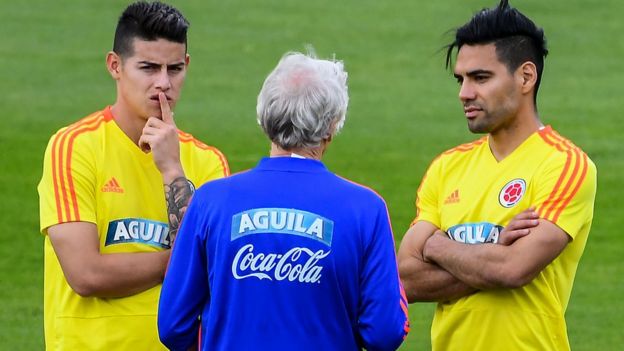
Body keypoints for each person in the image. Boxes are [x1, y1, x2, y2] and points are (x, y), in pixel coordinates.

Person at [158, 51, 409, 351]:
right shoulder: (365, 210)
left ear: (265, 115)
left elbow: (173, 326)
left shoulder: (209, 202)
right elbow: (385, 332)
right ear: (331, 126)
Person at [397, 0, 597, 350]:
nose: (464, 93)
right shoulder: (447, 167)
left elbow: (513, 270)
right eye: (461, 79)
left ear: (525, 77)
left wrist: (437, 244)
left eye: (481, 78)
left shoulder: (565, 165)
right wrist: (492, 251)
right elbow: (406, 279)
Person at [37, 2, 229, 350]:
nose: (163, 84)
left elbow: (215, 277)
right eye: (148, 68)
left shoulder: (207, 161)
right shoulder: (74, 147)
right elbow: (86, 274)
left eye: (174, 69)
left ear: (187, 66)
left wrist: (173, 170)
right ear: (115, 66)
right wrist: (177, 263)